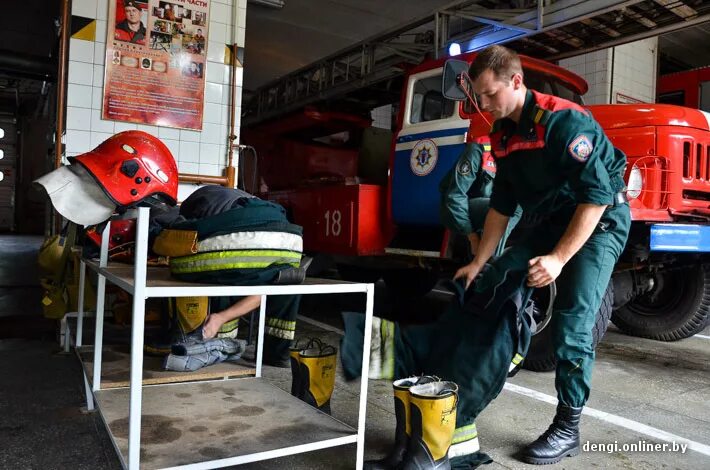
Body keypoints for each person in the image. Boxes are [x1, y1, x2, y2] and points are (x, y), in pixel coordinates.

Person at [453, 45, 630, 465]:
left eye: (490, 94)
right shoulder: (501, 134)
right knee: (499, 282)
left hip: (598, 218)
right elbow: (502, 205)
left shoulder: (563, 122)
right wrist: (480, 261)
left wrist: (558, 259)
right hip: (549, 217)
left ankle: (568, 426)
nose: (484, 104)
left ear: (516, 82)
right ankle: (490, 368)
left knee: (572, 322)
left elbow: (597, 197)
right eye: (478, 97)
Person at [439, 133, 521, 259]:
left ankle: (491, 257)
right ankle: (486, 264)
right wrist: (473, 238)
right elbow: (454, 197)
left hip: (488, 209)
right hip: (455, 210)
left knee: (515, 207)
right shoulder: (480, 148)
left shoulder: (516, 155)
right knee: (500, 209)